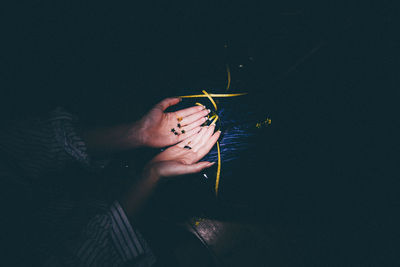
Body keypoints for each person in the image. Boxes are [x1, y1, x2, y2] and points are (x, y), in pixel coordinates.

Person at [0, 97, 220, 267]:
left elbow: (32, 144)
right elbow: (83, 258)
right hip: (78, 222)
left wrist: (138, 133)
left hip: (83, 199)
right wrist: (151, 174)